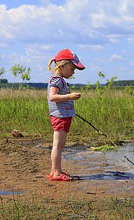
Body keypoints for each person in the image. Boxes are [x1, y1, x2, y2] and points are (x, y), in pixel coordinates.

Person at [46, 49, 85, 181]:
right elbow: (52, 97)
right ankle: (56, 172)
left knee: (60, 145)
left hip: (63, 115)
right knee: (58, 145)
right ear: (62, 66)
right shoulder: (56, 80)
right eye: (72, 69)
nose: (73, 72)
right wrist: (70, 96)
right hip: (60, 116)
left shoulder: (60, 80)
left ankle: (54, 171)